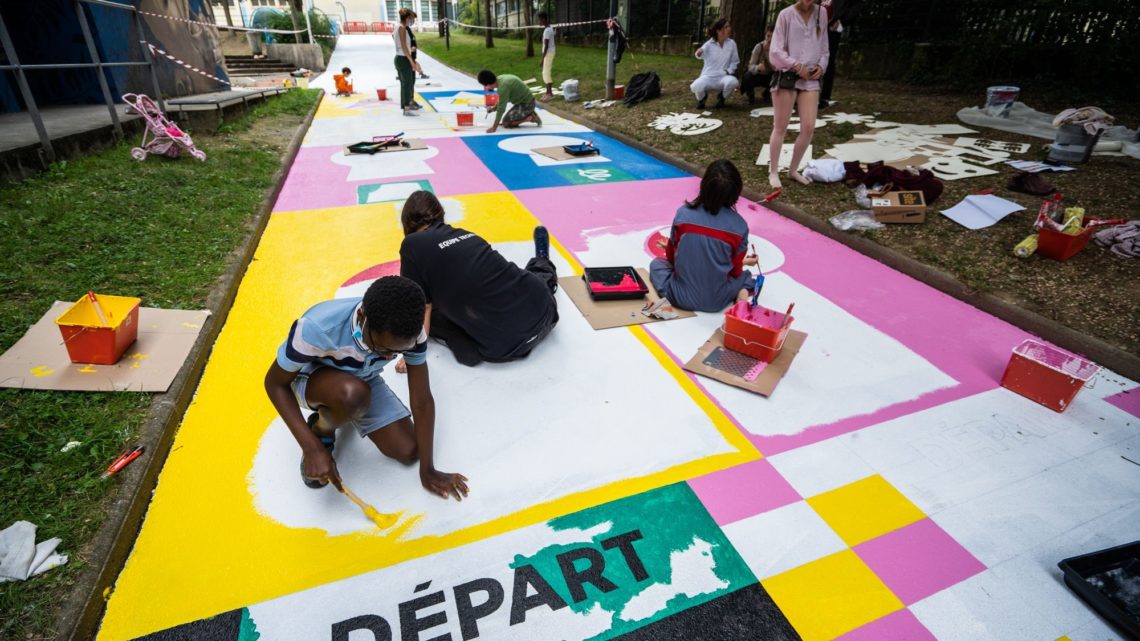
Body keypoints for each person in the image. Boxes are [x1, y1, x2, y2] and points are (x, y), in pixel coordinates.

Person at [263, 276, 469, 501]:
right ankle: (322, 432)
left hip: (361, 379)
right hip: (310, 378)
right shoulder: (317, 328)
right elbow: (275, 384)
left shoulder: (410, 332)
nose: (388, 357)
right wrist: (312, 448)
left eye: (396, 353)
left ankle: (346, 408)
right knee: (352, 394)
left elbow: (421, 399)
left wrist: (428, 470)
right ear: (362, 318)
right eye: (382, 349)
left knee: (409, 450)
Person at [397, 191, 559, 367]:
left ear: (406, 221)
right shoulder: (465, 234)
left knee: (433, 316)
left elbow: (422, 306)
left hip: (507, 345)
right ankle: (542, 258)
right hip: (546, 312)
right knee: (530, 277)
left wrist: (413, 356)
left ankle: (461, 342)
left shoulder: (411, 245)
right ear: (440, 214)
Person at [649, 159, 758, 313]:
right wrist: (744, 262)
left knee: (657, 265)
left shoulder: (683, 215)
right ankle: (742, 295)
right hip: (717, 301)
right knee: (745, 277)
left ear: (704, 186)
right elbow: (735, 270)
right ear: (735, 193)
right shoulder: (739, 226)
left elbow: (672, 257)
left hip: (679, 297)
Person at [766, 0, 829, 188]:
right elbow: (775, 51)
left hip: (810, 77)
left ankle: (793, 170)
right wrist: (795, 65)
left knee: (809, 127)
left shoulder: (822, 13)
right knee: (780, 127)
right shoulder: (786, 15)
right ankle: (774, 171)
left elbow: (824, 47)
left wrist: (821, 66)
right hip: (787, 76)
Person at [819, 0, 861, 110]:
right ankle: (805, 92)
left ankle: (824, 97)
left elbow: (855, 7)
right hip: (816, 26)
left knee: (828, 61)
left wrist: (842, 21)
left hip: (832, 28)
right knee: (810, 58)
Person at [690, 18, 740, 110]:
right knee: (696, 86)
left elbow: (734, 61)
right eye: (726, 27)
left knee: (733, 82)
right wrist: (699, 52)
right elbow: (699, 54)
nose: (729, 29)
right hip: (708, 76)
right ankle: (702, 99)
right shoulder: (709, 44)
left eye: (729, 26)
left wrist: (728, 71)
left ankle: (722, 98)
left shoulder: (732, 44)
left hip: (723, 77)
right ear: (718, 30)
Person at [394, 8, 424, 116]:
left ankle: (405, 107)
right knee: (408, 84)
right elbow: (403, 46)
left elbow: (402, 45)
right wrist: (411, 61)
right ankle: (406, 108)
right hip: (403, 58)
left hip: (400, 58)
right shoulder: (402, 28)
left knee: (405, 84)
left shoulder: (398, 27)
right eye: (411, 19)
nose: (412, 21)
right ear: (407, 18)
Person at [741, 27, 773, 106]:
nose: (770, 39)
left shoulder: (777, 49)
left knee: (779, 76)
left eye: (772, 36)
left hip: (770, 75)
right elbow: (750, 65)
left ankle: (767, 93)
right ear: (765, 36)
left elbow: (777, 67)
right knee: (747, 76)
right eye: (768, 36)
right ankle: (751, 96)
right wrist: (757, 68)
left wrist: (767, 53)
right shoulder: (759, 47)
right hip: (758, 74)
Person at [539, 12, 555, 102]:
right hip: (550, 52)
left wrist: (542, 58)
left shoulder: (547, 30)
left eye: (540, 19)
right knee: (545, 72)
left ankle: (550, 94)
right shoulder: (549, 29)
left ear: (544, 19)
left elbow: (546, 45)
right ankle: (548, 92)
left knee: (546, 73)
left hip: (548, 53)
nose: (539, 22)